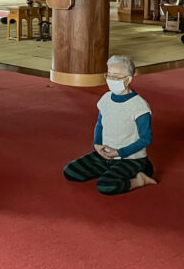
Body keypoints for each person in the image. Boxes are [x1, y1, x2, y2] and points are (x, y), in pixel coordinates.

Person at [63, 55, 157, 195]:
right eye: (109, 75)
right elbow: (100, 124)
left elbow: (146, 138)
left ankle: (140, 178)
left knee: (106, 186)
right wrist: (97, 144)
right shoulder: (106, 98)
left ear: (129, 79)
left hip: (130, 158)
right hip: (106, 155)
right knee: (70, 172)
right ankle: (112, 170)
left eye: (117, 77)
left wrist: (119, 152)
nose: (111, 80)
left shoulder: (139, 106)